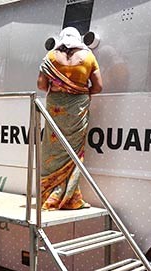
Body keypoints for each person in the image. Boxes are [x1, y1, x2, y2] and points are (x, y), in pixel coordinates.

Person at [37, 27, 103, 210]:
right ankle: (71, 199)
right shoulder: (88, 57)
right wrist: (79, 91)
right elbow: (98, 86)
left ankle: (49, 197)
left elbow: (41, 85)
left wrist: (60, 87)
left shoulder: (50, 57)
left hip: (55, 107)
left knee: (52, 150)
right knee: (74, 151)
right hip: (77, 110)